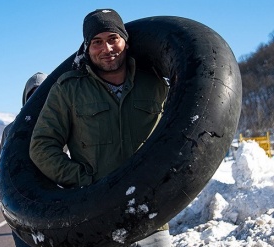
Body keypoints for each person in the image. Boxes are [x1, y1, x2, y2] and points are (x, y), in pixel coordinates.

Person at [29, 9, 171, 246]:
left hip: (152, 215)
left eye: (112, 38)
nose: (107, 49)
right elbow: (41, 146)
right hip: (98, 220)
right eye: (97, 42)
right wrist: (84, 179)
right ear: (87, 47)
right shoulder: (68, 89)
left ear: (125, 40)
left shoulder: (155, 82)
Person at [0, 72, 48, 247]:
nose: (37, 98)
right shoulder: (11, 130)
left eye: (42, 92)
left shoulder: (64, 123)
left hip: (54, 204)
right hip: (22, 208)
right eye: (32, 94)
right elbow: (2, 170)